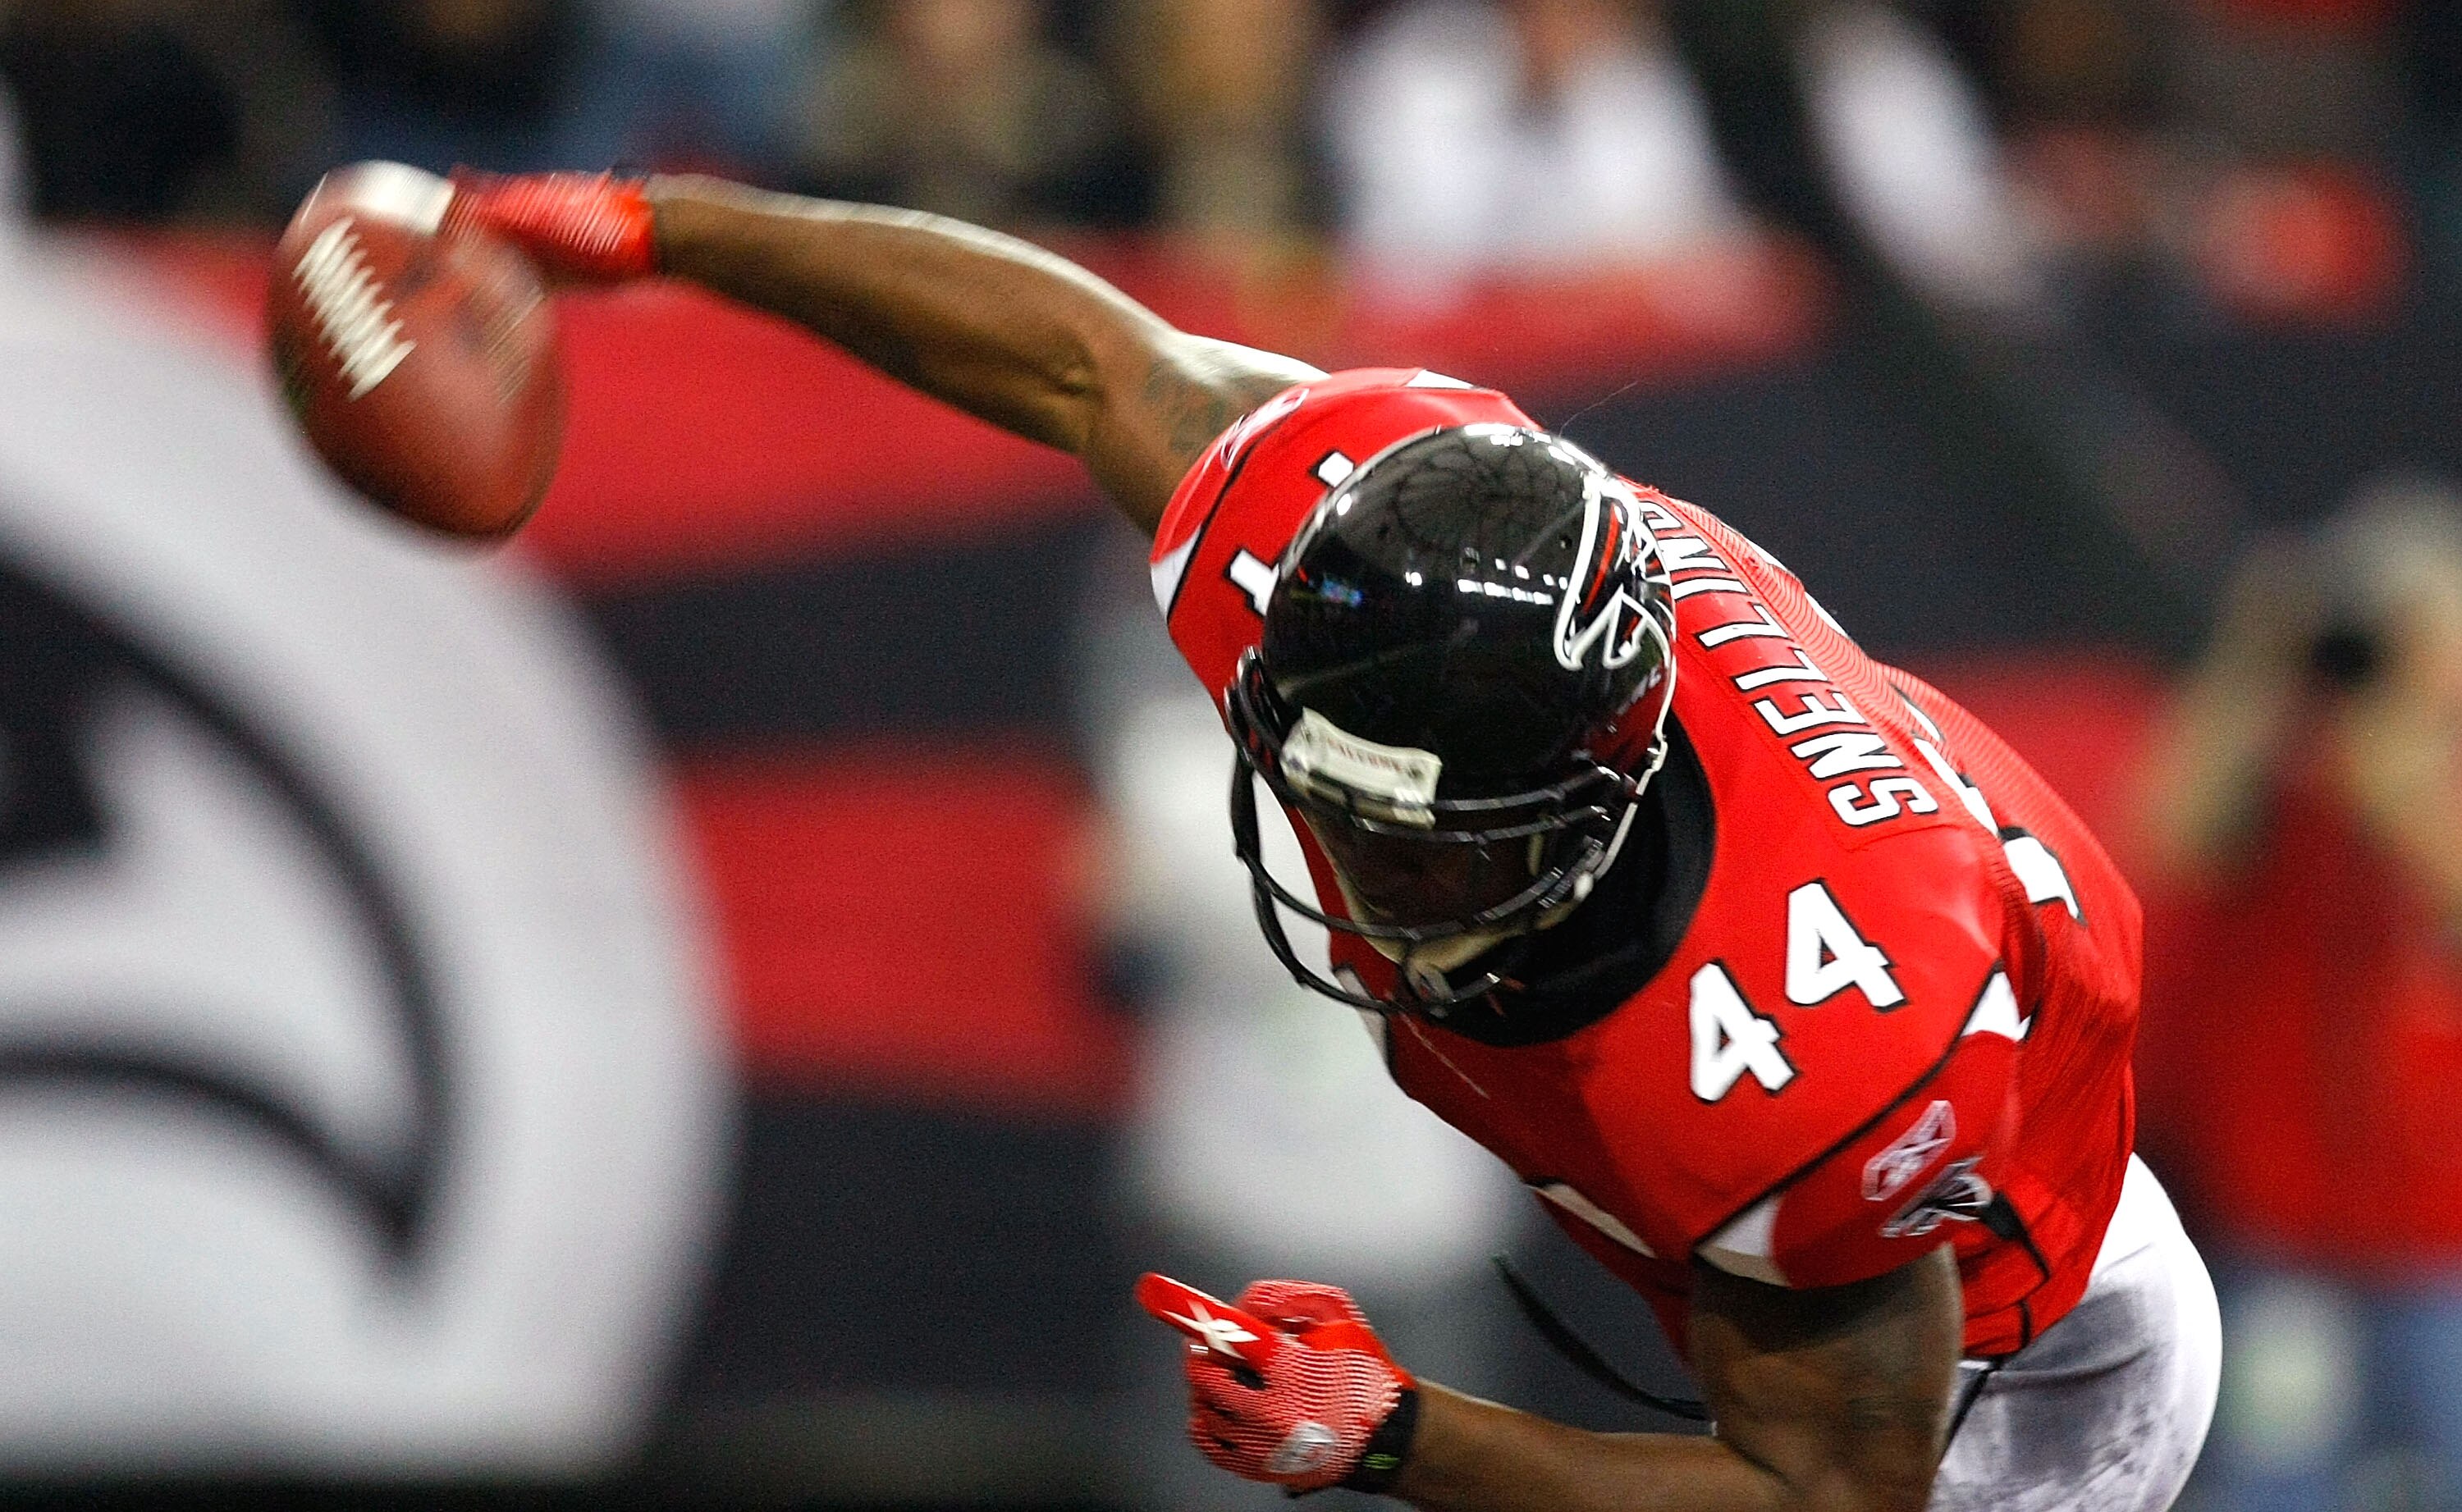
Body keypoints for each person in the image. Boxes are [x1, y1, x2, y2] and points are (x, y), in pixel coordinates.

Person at [384, 163, 2222, 1510]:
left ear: (1574, 817)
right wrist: (657, 229)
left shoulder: (1817, 1046)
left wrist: (1394, 1430)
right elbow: (1075, 357)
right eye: (1326, 802)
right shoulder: (1343, 540)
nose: (1345, 876)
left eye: (1414, 856)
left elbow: (1830, 1503)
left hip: (2023, 1376)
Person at [2135, 485, 2462, 1511]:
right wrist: (2254, 658)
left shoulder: (2410, 773)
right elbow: (2167, 833)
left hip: (2434, 1229)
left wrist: (2403, 741)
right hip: (2284, 1220)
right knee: (2280, 1484)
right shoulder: (2282, 770)